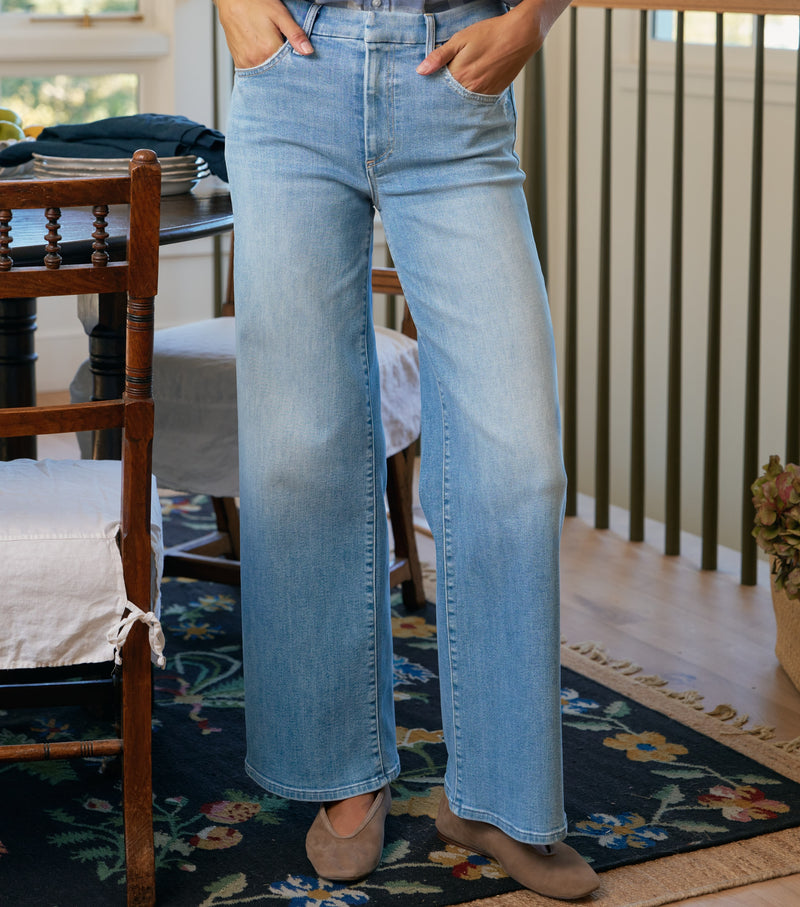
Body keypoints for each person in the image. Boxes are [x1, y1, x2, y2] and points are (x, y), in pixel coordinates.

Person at [213, 0, 599, 899]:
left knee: (521, 461)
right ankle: (343, 777)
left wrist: (535, 18)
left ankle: (500, 796)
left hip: (453, 78)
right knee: (299, 449)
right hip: (294, 74)